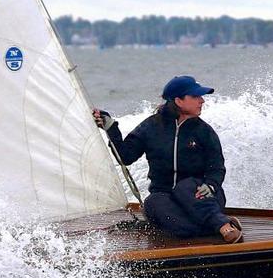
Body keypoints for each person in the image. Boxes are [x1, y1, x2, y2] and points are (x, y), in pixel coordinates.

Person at [93, 75, 243, 243]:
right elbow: (126, 156)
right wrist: (111, 128)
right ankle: (213, 227)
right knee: (153, 203)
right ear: (179, 101)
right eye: (196, 97)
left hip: (201, 196)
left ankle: (223, 225)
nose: (202, 101)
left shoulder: (204, 131)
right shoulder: (150, 127)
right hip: (167, 198)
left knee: (184, 187)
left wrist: (211, 185)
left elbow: (217, 168)